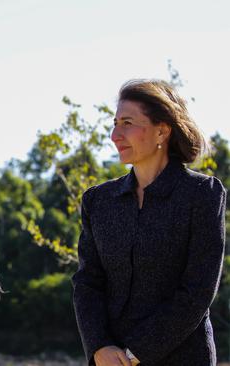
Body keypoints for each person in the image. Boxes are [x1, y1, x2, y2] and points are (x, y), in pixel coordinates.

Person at [72, 79, 226, 366]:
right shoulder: (98, 201)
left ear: (162, 130)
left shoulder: (202, 195)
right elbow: (87, 283)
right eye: (115, 122)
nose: (115, 134)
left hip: (183, 358)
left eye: (127, 122)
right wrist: (100, 346)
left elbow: (198, 291)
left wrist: (134, 354)